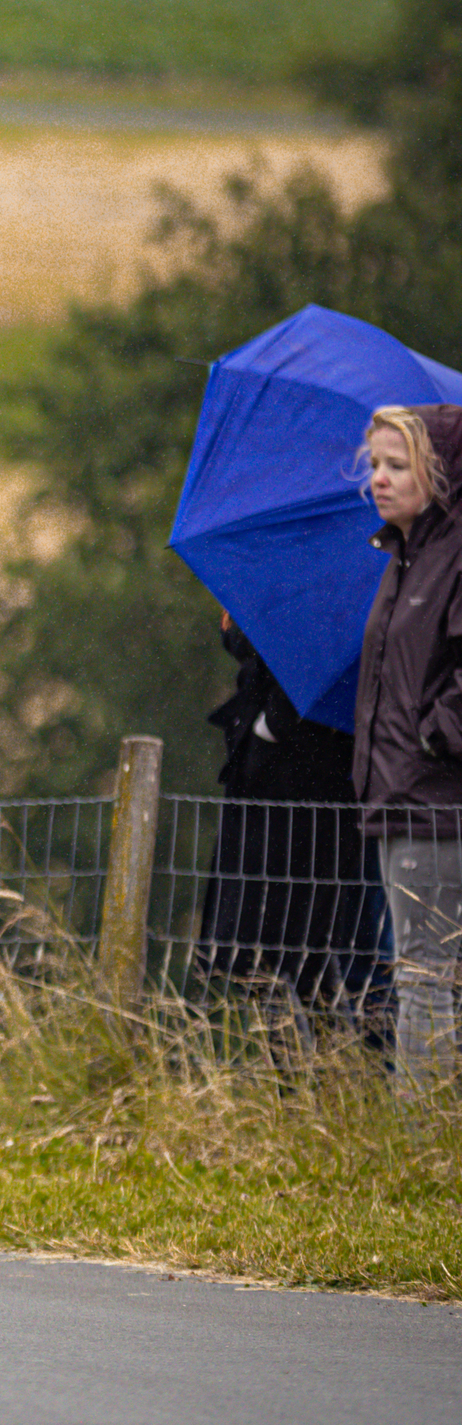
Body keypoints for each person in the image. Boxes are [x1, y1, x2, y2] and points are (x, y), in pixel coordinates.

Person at [198, 611, 389, 1047]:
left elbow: (321, 655)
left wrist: (272, 725)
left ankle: (321, 1089)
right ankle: (308, 1091)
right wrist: (234, 627)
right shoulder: (291, 573)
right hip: (274, 786)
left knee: (291, 954)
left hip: (304, 790)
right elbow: (262, 649)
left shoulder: (338, 585)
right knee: (264, 955)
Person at [351, 402, 462, 1093]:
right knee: (425, 973)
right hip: (399, 795)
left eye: (398, 465)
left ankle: (421, 1139)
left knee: (424, 976)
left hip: (435, 801)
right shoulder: (404, 556)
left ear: (439, 470)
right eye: (375, 465)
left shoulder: (453, 557)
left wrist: (431, 740)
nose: (380, 480)